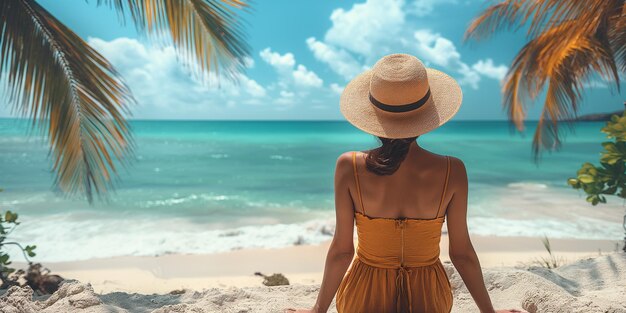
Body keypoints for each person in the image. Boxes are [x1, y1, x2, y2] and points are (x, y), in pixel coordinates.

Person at [285, 54, 523, 313]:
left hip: (363, 297)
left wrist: (317, 310)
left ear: (373, 117)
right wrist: (488, 312)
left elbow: (343, 251)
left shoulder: (348, 166)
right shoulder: (453, 170)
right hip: (429, 298)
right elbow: (462, 253)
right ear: (427, 115)